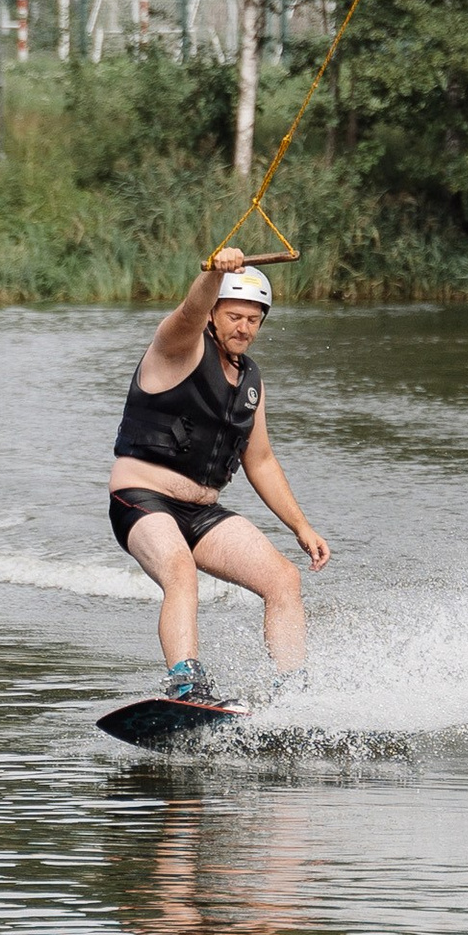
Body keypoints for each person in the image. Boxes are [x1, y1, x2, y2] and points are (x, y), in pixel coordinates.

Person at [108, 245, 329, 706]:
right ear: (214, 313)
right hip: (142, 498)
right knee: (180, 572)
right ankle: (187, 684)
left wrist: (301, 526)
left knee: (283, 579)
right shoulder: (178, 346)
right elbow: (190, 309)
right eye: (233, 315)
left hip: (201, 512)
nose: (243, 327)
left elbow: (261, 460)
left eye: (253, 319)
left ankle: (293, 694)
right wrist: (214, 274)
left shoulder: (251, 382)